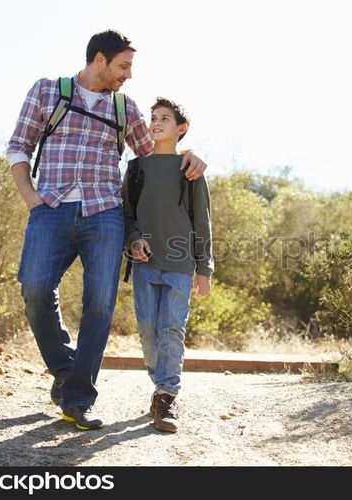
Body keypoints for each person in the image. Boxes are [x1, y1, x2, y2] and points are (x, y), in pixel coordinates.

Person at [7, 30, 207, 431]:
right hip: (51, 208)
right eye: (124, 65)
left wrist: (191, 156)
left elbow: (154, 156)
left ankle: (79, 399)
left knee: (99, 305)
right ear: (100, 59)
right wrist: (31, 197)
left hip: (105, 214)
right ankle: (66, 370)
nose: (129, 75)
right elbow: (18, 147)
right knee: (33, 288)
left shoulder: (124, 107)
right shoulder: (48, 92)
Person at [123, 97, 213, 433]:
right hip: (145, 264)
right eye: (154, 118)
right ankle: (159, 382)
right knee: (148, 331)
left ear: (181, 129)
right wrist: (133, 239)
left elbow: (202, 222)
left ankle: (167, 396)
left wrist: (205, 269)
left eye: (165, 118)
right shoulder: (136, 168)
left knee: (172, 329)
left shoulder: (190, 170)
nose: (157, 123)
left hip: (179, 263)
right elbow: (127, 213)